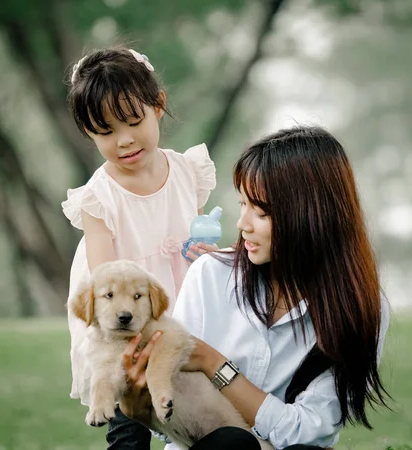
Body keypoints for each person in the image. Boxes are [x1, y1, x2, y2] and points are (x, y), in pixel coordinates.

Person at [119, 125, 391, 450]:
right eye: (242, 204)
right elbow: (174, 409)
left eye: (261, 211)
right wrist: (140, 406)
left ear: (311, 217)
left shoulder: (356, 310)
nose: (242, 224)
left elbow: (309, 432)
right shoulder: (211, 276)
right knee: (233, 444)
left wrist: (215, 365)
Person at [61, 45, 217, 449]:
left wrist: (203, 252)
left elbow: (199, 235)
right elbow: (103, 278)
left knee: (189, 399)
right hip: (123, 313)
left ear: (158, 105)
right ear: (88, 133)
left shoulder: (187, 171)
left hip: (176, 301)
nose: (124, 141)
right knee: (126, 397)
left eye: (133, 121)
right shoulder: (99, 197)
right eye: (106, 132)